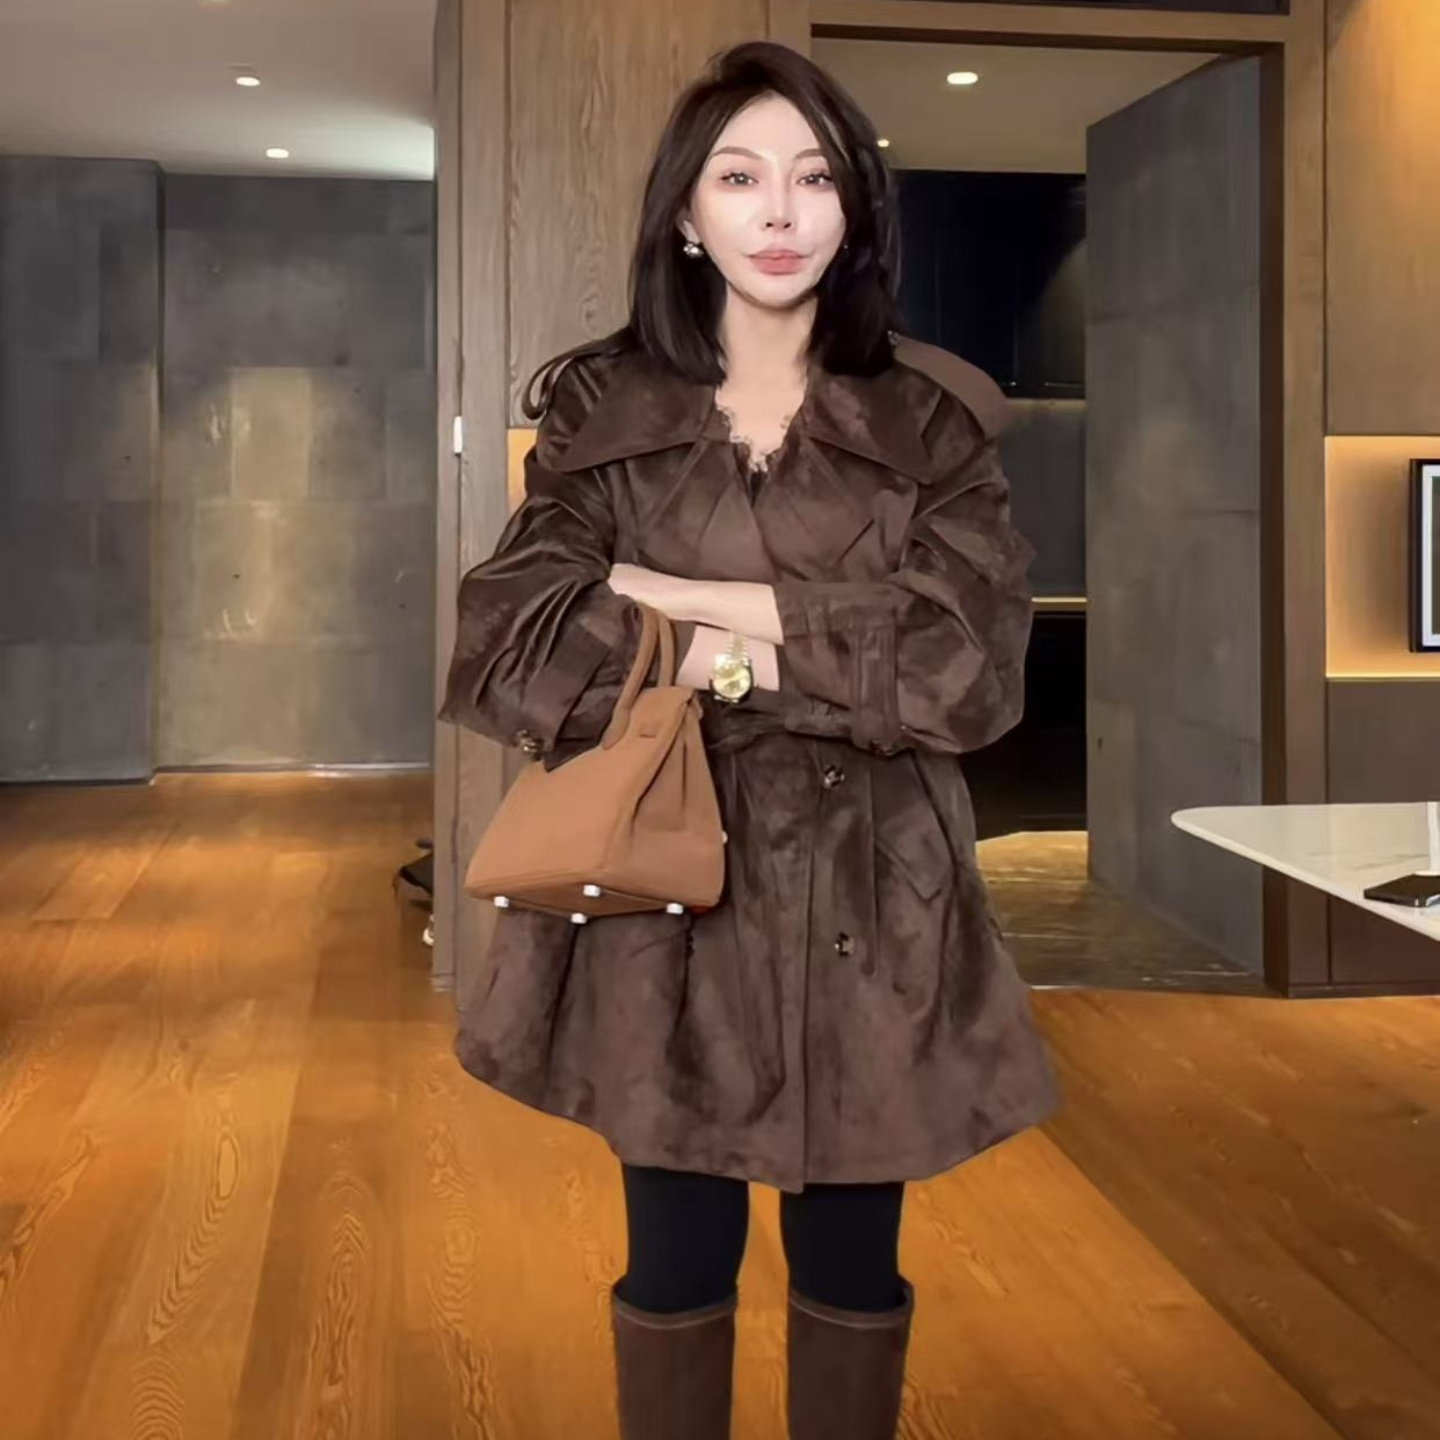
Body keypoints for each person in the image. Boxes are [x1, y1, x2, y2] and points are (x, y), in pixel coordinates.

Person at [437, 39, 1063, 1440]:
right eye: (738, 177)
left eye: (814, 179)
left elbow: (969, 670)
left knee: (853, 1257)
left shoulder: (934, 420)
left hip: (875, 889)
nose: (779, 212)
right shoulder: (601, 407)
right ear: (686, 211)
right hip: (662, 876)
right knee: (675, 1254)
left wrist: (687, 604)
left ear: (855, 210)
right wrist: (812, 646)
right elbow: (513, 642)